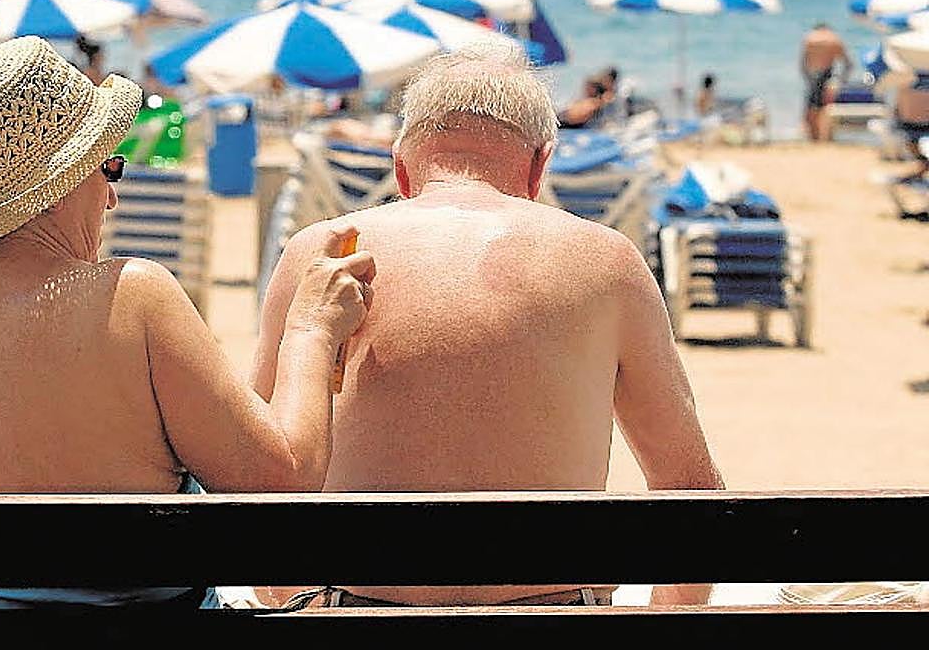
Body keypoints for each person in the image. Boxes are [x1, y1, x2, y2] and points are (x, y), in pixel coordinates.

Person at [0, 36, 376, 612]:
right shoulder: (132, 297)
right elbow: (284, 486)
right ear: (64, 184)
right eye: (109, 167)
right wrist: (311, 329)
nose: (112, 199)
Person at [252, 44, 723, 609]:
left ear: (402, 168)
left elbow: (253, 478)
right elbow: (690, 491)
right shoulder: (607, 263)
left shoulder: (321, 257)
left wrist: (297, 603)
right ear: (539, 166)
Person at [800, 23, 853, 141]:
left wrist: (808, 79)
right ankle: (824, 138)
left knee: (811, 110)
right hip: (828, 75)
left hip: (813, 76)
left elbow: (803, 64)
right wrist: (840, 81)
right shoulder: (834, 39)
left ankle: (814, 139)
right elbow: (848, 64)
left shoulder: (810, 38)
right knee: (825, 109)